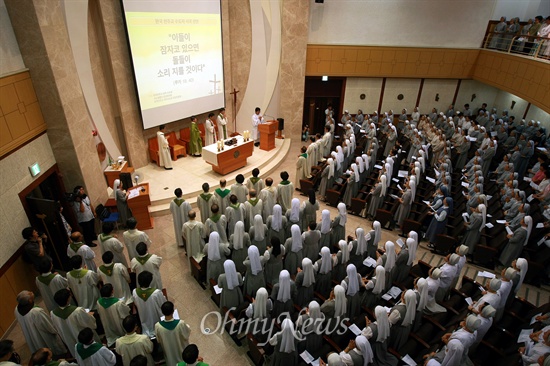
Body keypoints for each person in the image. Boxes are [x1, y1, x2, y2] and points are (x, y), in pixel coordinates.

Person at [14, 290, 66, 357]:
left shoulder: (16, 309)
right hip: (42, 335)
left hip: (31, 334)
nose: (31, 293)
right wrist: (55, 330)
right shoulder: (36, 312)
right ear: (29, 300)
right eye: (30, 294)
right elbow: (48, 325)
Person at [50, 288, 98, 358]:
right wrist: (89, 314)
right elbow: (90, 322)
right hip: (85, 339)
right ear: (68, 299)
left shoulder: (53, 313)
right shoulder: (77, 311)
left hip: (68, 340)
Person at [155, 301, 191, 366]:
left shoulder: (157, 326)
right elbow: (186, 334)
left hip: (169, 357)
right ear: (173, 311)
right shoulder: (180, 323)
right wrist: (187, 326)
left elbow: (158, 340)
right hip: (183, 356)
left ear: (162, 312)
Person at [132, 271, 167, 338]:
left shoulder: (135, 292)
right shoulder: (156, 293)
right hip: (158, 322)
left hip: (144, 321)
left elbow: (136, 304)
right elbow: (163, 304)